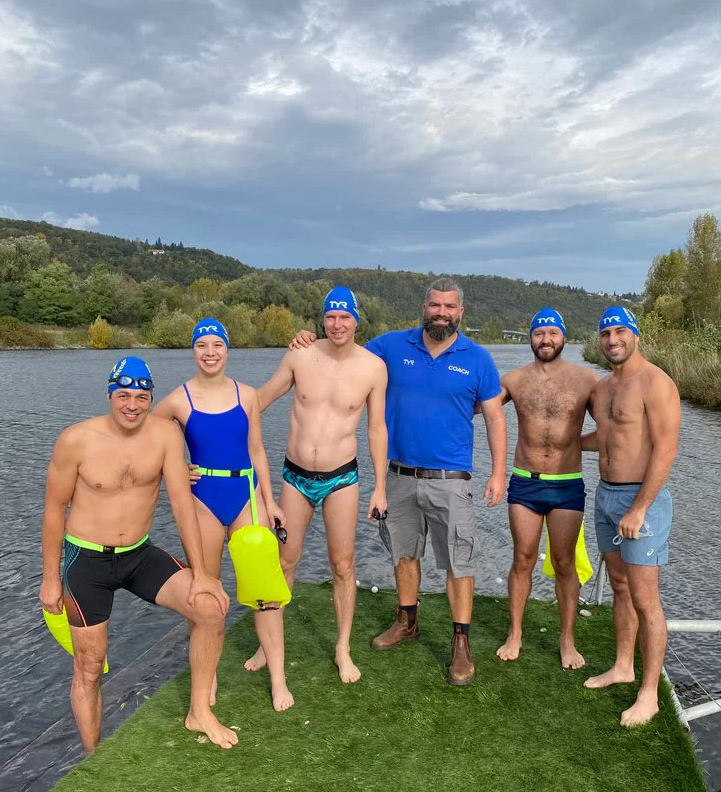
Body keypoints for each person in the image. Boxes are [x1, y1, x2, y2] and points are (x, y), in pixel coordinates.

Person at [290, 278, 507, 686]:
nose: (441, 312)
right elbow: (343, 350)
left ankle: (460, 642)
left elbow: (495, 417)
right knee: (403, 553)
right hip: (399, 475)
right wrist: (310, 339)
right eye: (434, 305)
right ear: (423, 307)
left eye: (449, 307)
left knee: (459, 561)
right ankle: (407, 621)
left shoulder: (478, 359)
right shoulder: (391, 346)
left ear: (461, 313)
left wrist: (498, 472)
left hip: (452, 478)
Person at [39, 357, 239, 751]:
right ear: (110, 395)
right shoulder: (76, 439)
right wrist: (49, 579)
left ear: (150, 398)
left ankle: (199, 711)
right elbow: (53, 510)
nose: (132, 405)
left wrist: (201, 572)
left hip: (138, 554)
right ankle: (93, 757)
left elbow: (183, 507)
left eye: (142, 396)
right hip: (87, 561)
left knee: (211, 607)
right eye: (124, 395)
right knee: (90, 667)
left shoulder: (165, 436)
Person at [245, 287, 388, 683]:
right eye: (330, 316)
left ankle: (343, 649)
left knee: (343, 565)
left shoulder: (373, 367)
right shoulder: (300, 355)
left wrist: (379, 487)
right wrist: (214, 411)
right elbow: (262, 399)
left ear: (356, 320)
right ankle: (266, 643)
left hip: (342, 478)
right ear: (322, 319)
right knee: (284, 562)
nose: (337, 324)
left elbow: (377, 428)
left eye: (345, 317)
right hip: (295, 476)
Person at [153, 318, 294, 712]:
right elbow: (146, 429)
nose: (210, 352)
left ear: (227, 350)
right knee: (205, 592)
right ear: (193, 350)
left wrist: (271, 501)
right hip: (202, 499)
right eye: (202, 345)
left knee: (265, 592)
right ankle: (207, 675)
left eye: (217, 345)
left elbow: (258, 451)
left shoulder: (247, 395)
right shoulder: (180, 399)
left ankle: (278, 679)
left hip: (246, 494)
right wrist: (177, 464)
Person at [582, 307, 681, 727]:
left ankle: (649, 694)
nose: (612, 339)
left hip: (642, 500)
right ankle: (623, 666)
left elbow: (665, 449)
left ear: (635, 335)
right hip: (606, 495)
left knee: (645, 597)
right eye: (606, 333)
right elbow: (608, 439)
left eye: (620, 331)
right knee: (620, 587)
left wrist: (640, 507)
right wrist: (553, 444)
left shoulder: (656, 383)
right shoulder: (604, 388)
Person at [497, 308, 599, 669]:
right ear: (531, 338)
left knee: (564, 563)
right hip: (524, 482)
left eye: (552, 333)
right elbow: (476, 405)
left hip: (566, 485)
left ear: (564, 338)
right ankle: (515, 633)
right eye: (540, 333)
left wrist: (575, 444)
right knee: (521, 559)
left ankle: (567, 640)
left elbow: (615, 428)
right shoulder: (514, 379)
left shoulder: (586, 381)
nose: (546, 340)